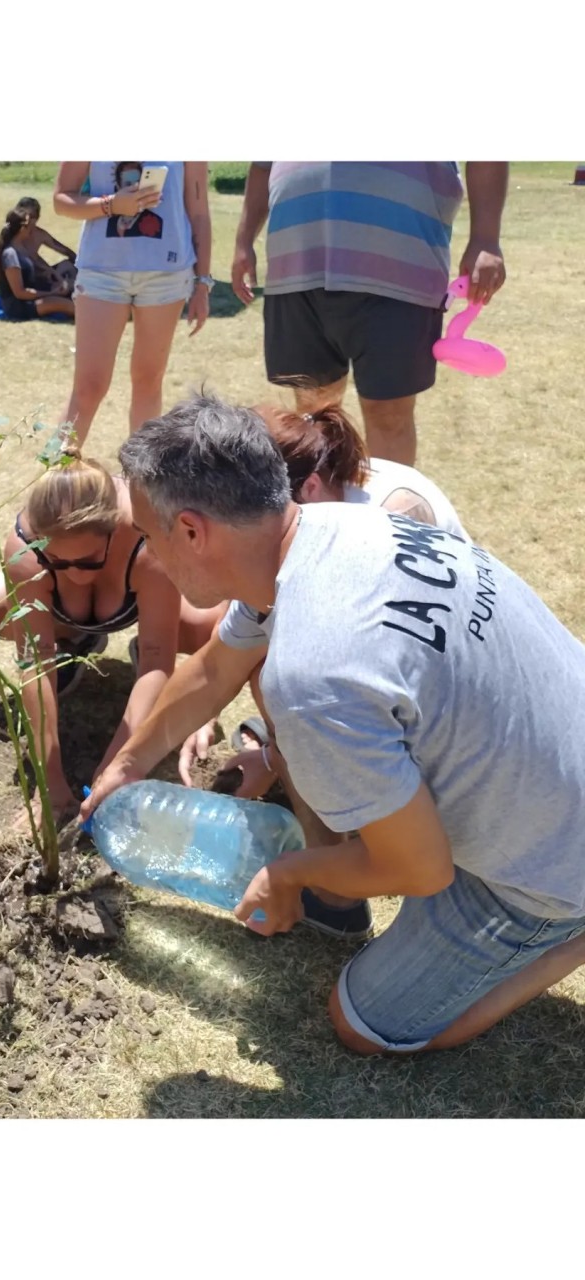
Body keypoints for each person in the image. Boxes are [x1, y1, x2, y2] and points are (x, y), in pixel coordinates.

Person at [82, 392, 585, 1056]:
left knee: (364, 1025)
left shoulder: (314, 674)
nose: (147, 553)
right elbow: (212, 671)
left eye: (148, 535)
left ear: (194, 531)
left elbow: (422, 867)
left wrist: (288, 874)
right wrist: (125, 763)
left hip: (555, 862)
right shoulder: (335, 529)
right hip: (551, 766)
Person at [179, 402, 468, 801]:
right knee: (269, 659)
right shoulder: (304, 519)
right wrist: (193, 720)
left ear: (309, 489)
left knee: (293, 674)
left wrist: (277, 755)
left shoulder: (391, 517)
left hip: (440, 687)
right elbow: (228, 644)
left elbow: (376, 666)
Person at [0, 448, 223, 824]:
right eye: (58, 561)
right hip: (66, 613)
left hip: (138, 604)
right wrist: (49, 781)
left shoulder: (144, 539)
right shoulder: (25, 550)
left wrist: (116, 766)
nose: (72, 573)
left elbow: (156, 656)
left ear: (112, 530)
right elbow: (34, 664)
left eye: (86, 560)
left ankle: (196, 696)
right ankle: (77, 641)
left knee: (211, 629)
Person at [231, 162, 509, 466]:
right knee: (314, 415)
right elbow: (262, 165)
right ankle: (323, 509)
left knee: (389, 416)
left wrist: (486, 237)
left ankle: (389, 513)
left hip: (399, 262)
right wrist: (244, 239)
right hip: (297, 264)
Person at [53, 161, 212, 447]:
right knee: (89, 388)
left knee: (148, 381)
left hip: (167, 275)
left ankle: (142, 486)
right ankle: (53, 478)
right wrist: (111, 205)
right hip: (102, 271)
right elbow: (62, 200)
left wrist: (203, 283)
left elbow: (199, 212)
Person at [0, 209, 75, 321]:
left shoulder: (21, 247)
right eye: (30, 225)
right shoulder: (10, 255)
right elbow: (20, 293)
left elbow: (39, 263)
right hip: (18, 307)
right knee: (68, 305)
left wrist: (56, 281)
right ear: (22, 229)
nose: (33, 228)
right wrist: (50, 293)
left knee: (72, 287)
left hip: (33, 295)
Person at [13, 196, 78, 293]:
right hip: (25, 279)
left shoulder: (39, 234)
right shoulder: (12, 235)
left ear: (37, 218)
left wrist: (81, 264)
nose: (28, 220)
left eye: (32, 217)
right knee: (69, 286)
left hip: (45, 276)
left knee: (69, 266)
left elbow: (66, 251)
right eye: (25, 216)